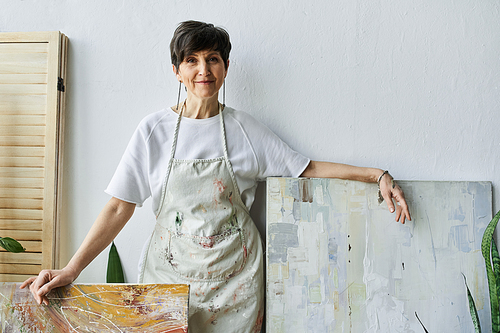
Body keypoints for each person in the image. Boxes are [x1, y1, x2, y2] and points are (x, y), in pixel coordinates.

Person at [21, 20, 411, 332]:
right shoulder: (153, 131)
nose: (203, 70)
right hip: (168, 285)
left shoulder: (245, 131)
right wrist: (71, 269)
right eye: (192, 60)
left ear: (225, 67)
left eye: (213, 59)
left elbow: (306, 168)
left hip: (235, 291)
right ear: (176, 71)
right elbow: (119, 206)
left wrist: (376, 175)